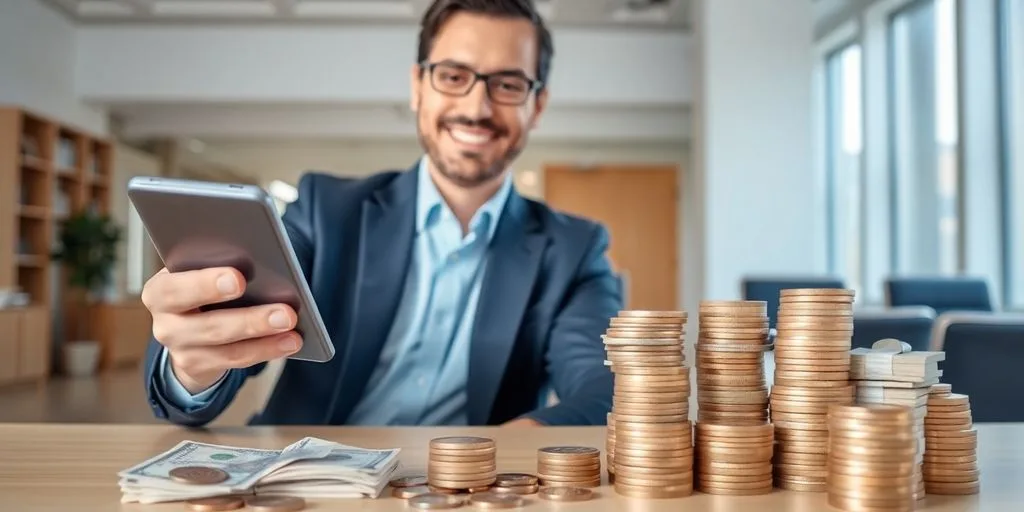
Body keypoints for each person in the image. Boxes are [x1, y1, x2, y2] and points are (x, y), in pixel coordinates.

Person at [140, 0, 622, 428]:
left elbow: (604, 388)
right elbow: (236, 327)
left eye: (509, 84)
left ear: (537, 106)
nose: (477, 107)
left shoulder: (575, 251)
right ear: (418, 86)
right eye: (453, 77)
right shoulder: (325, 211)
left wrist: (510, 448)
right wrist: (195, 364)